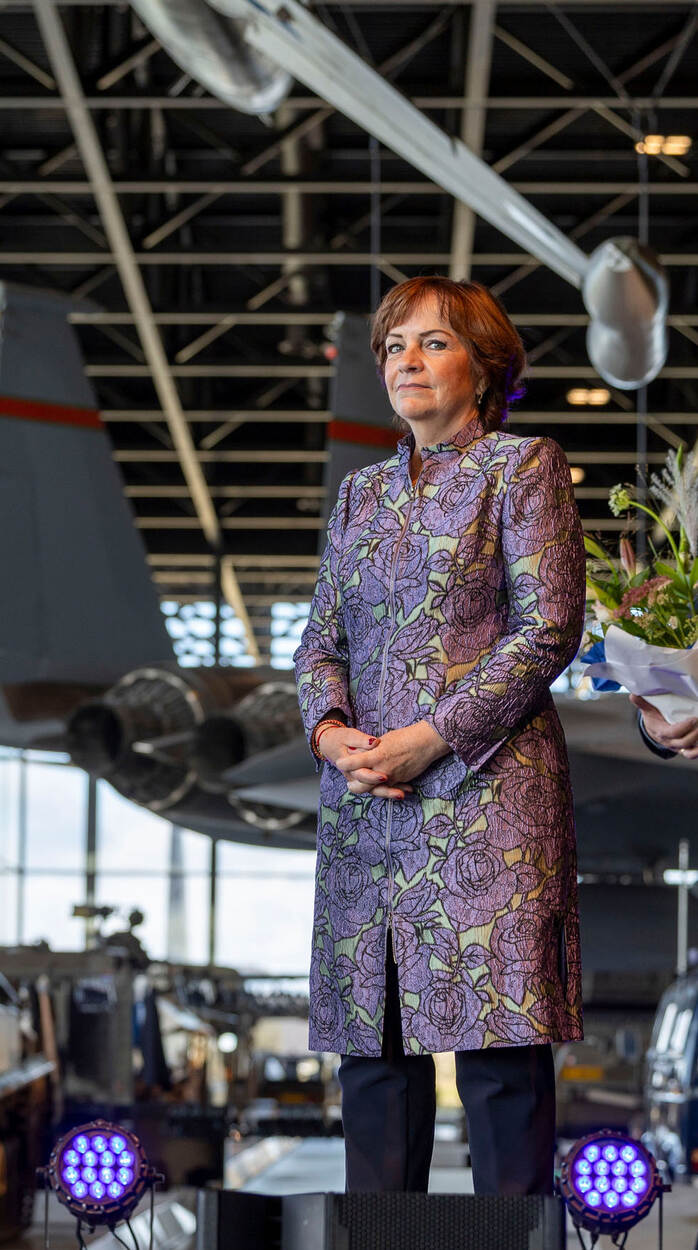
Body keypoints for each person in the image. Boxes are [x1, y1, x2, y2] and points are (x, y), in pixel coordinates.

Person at [293, 275, 585, 1196]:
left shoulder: (523, 467)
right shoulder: (359, 495)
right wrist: (330, 733)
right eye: (394, 346)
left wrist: (434, 738)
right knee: (374, 1069)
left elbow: (548, 628)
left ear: (484, 367)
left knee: (500, 1070)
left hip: (486, 807)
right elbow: (319, 642)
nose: (406, 361)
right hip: (367, 811)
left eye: (433, 342)